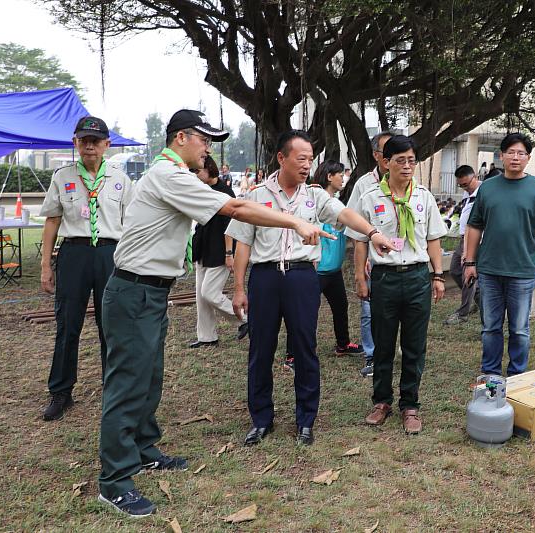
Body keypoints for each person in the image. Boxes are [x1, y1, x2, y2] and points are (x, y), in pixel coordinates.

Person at [97, 110, 329, 518]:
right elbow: (237, 209)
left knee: (148, 376)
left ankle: (144, 447)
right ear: (182, 137)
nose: (208, 148)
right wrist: (293, 221)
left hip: (150, 291)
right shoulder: (171, 176)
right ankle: (115, 480)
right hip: (134, 290)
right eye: (204, 139)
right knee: (127, 382)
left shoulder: (175, 175)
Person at [227, 130, 395, 448]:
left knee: (305, 348)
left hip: (303, 277)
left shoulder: (314, 196)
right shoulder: (256, 195)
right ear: (282, 157)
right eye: (301, 158)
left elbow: (344, 213)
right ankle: (261, 419)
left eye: (310, 159)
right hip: (265, 278)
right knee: (260, 349)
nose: (307, 165)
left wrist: (372, 232)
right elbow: (243, 245)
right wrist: (238, 287)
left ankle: (306, 419)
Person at [38, 116, 134, 422]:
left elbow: (131, 223)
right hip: (75, 254)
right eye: (84, 140)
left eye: (95, 141)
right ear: (75, 143)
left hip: (110, 253)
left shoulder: (120, 179)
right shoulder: (62, 177)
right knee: (68, 324)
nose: (89, 146)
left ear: (107, 145)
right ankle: (61, 392)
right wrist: (45, 265)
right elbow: (52, 220)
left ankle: (114, 388)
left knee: (112, 324)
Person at [349, 135, 446, 434]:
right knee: (383, 343)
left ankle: (410, 404)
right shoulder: (370, 199)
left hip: (417, 277)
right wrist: (360, 279)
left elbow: (433, 239)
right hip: (385, 278)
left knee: (415, 345)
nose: (407, 166)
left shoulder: (424, 197)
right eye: (400, 160)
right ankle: (381, 401)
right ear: (385, 162)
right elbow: (360, 242)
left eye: (411, 160)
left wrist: (438, 275)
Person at [464, 132, 535, 376]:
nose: (515, 158)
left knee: (519, 329)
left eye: (521, 153)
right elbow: (474, 226)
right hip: (489, 269)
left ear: (528, 158)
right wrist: (470, 261)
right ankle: (490, 374)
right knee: (490, 327)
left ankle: (517, 375)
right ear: (501, 156)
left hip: (522, 271)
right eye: (511, 152)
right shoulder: (487, 188)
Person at [346, 130, 394, 377]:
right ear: (376, 155)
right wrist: (360, 266)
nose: (393, 157)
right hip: (372, 260)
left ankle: (392, 354)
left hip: (399, 261)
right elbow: (354, 226)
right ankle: (372, 355)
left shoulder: (410, 182)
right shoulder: (364, 184)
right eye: (387, 151)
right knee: (369, 311)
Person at [188, 155, 247, 349]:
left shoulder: (225, 192)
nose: (196, 175)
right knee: (200, 297)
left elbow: (231, 226)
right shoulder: (202, 190)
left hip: (220, 250)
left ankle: (244, 320)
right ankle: (207, 337)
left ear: (209, 169)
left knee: (209, 293)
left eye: (198, 171)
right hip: (202, 248)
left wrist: (230, 254)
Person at [313, 159, 366, 357]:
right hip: (316, 270)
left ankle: (343, 345)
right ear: (329, 177)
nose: (344, 178)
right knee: (306, 312)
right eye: (340, 174)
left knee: (341, 307)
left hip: (334, 270)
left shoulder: (338, 204)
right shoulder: (315, 202)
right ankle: (294, 353)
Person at [444, 164, 481, 325]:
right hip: (463, 238)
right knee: (455, 270)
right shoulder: (468, 195)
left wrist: (469, 250)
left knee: (468, 274)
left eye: (466, 184)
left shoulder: (484, 194)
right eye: (461, 185)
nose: (464, 188)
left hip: (477, 240)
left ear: (476, 177)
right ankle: (480, 301)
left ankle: (463, 312)